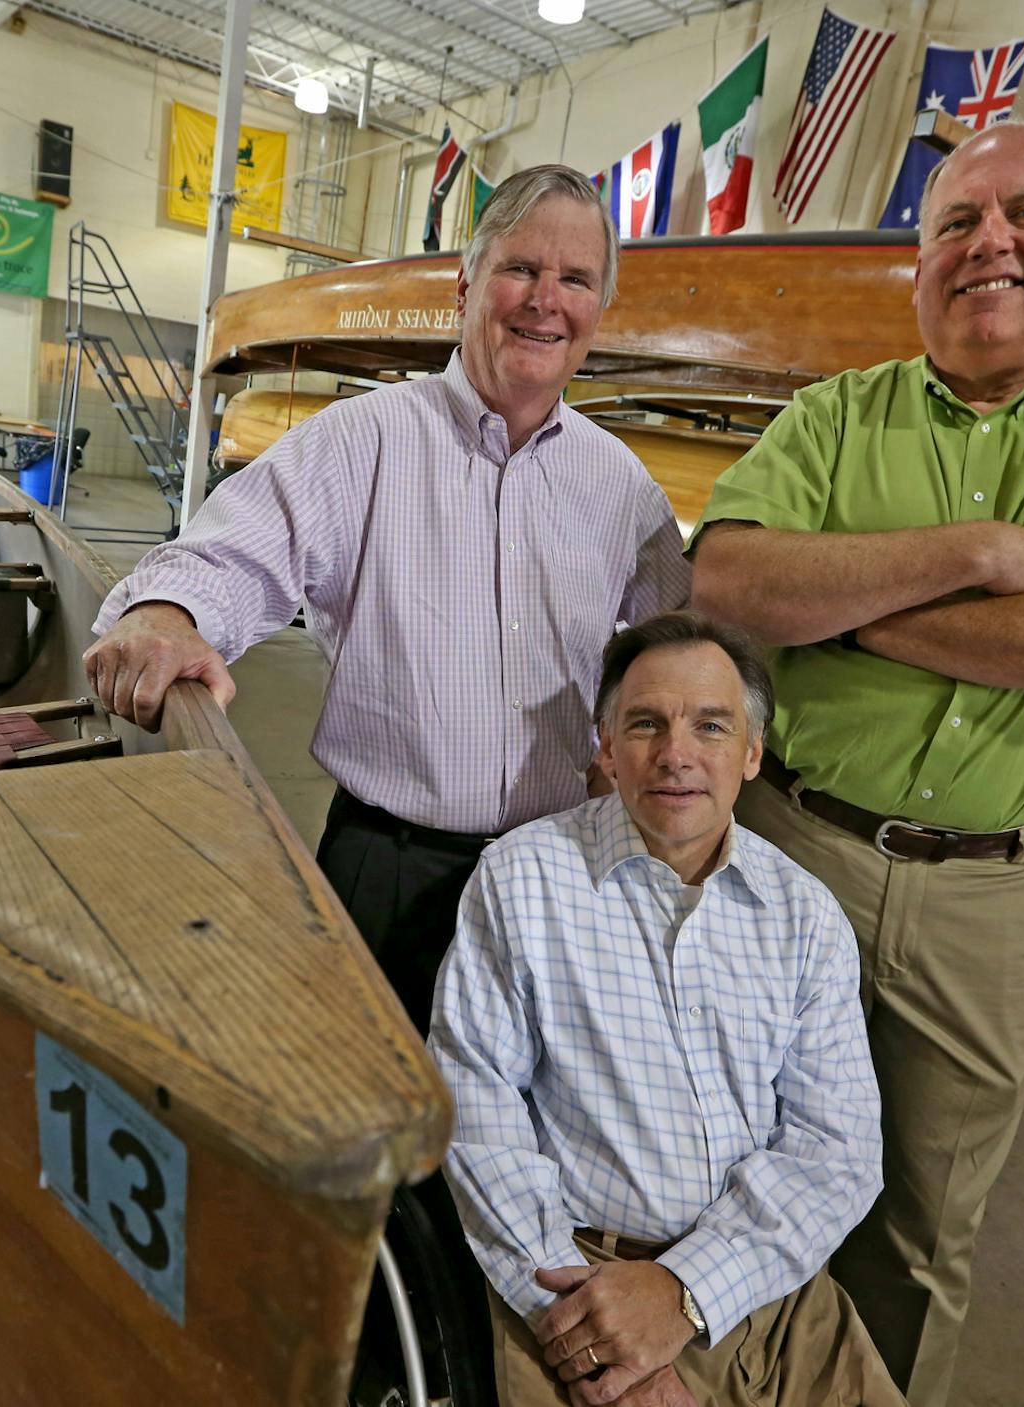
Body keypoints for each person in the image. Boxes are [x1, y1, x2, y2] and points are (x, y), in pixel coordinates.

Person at [688, 118, 1024, 1407]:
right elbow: (730, 582)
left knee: (919, 1233)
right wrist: (981, 554)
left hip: (994, 897)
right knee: (713, 1155)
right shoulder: (834, 414)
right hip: (789, 852)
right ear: (918, 259)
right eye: (957, 223)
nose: (990, 244)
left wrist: (850, 611)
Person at [85, 164, 690, 1030]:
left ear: (599, 308)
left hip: (560, 869)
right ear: (466, 287)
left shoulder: (624, 489)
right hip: (390, 868)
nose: (545, 300)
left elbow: (677, 652)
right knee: (367, 1095)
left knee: (538, 1103)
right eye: (521, 268)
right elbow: (227, 557)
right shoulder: (358, 444)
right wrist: (165, 616)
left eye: (576, 279)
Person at [431, 612, 902, 1407]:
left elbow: (839, 1149)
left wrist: (686, 1291)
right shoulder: (522, 879)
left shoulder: (805, 914)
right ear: (606, 748)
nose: (676, 753)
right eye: (645, 723)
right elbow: (475, 1117)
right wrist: (596, 1344)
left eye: (711, 725)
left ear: (752, 752)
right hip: (579, 1278)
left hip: (769, 1283)